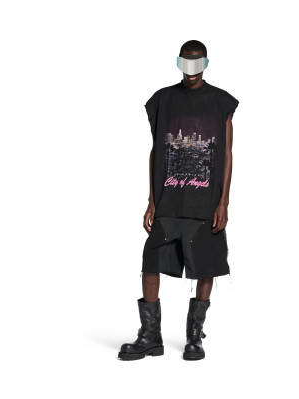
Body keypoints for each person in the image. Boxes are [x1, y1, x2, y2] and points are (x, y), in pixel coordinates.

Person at [118, 40, 239, 361]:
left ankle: (194, 336)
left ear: (206, 64)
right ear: (179, 63)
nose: (191, 70)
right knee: (150, 263)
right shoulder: (162, 100)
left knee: (205, 266)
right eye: (186, 63)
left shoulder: (221, 102)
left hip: (205, 202)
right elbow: (156, 149)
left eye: (197, 63)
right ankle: (150, 336)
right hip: (169, 200)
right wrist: (151, 199)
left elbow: (227, 154)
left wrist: (224, 203)